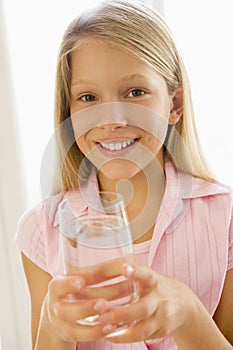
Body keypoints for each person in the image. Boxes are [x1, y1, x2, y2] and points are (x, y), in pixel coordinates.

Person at [15, 0, 233, 349]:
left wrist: (188, 313)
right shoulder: (41, 232)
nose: (111, 119)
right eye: (88, 97)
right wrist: (53, 324)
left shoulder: (225, 217)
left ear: (174, 105)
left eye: (135, 92)